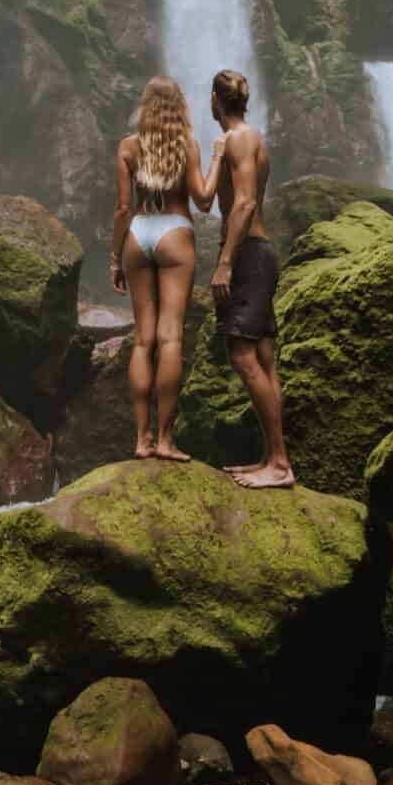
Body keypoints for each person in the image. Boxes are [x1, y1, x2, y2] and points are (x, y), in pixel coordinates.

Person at [111, 76, 224, 461]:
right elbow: (205, 201)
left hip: (139, 232)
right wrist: (217, 157)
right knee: (171, 338)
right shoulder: (187, 147)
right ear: (179, 109)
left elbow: (123, 208)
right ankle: (164, 440)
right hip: (175, 230)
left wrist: (116, 258)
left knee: (143, 340)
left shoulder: (127, 148)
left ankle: (140, 440)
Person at [207, 67, 296, 489]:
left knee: (242, 357)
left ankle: (279, 464)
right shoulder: (249, 139)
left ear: (215, 100)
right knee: (262, 358)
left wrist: (225, 261)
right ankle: (271, 458)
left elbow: (243, 204)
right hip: (257, 254)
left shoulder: (240, 138)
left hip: (248, 256)